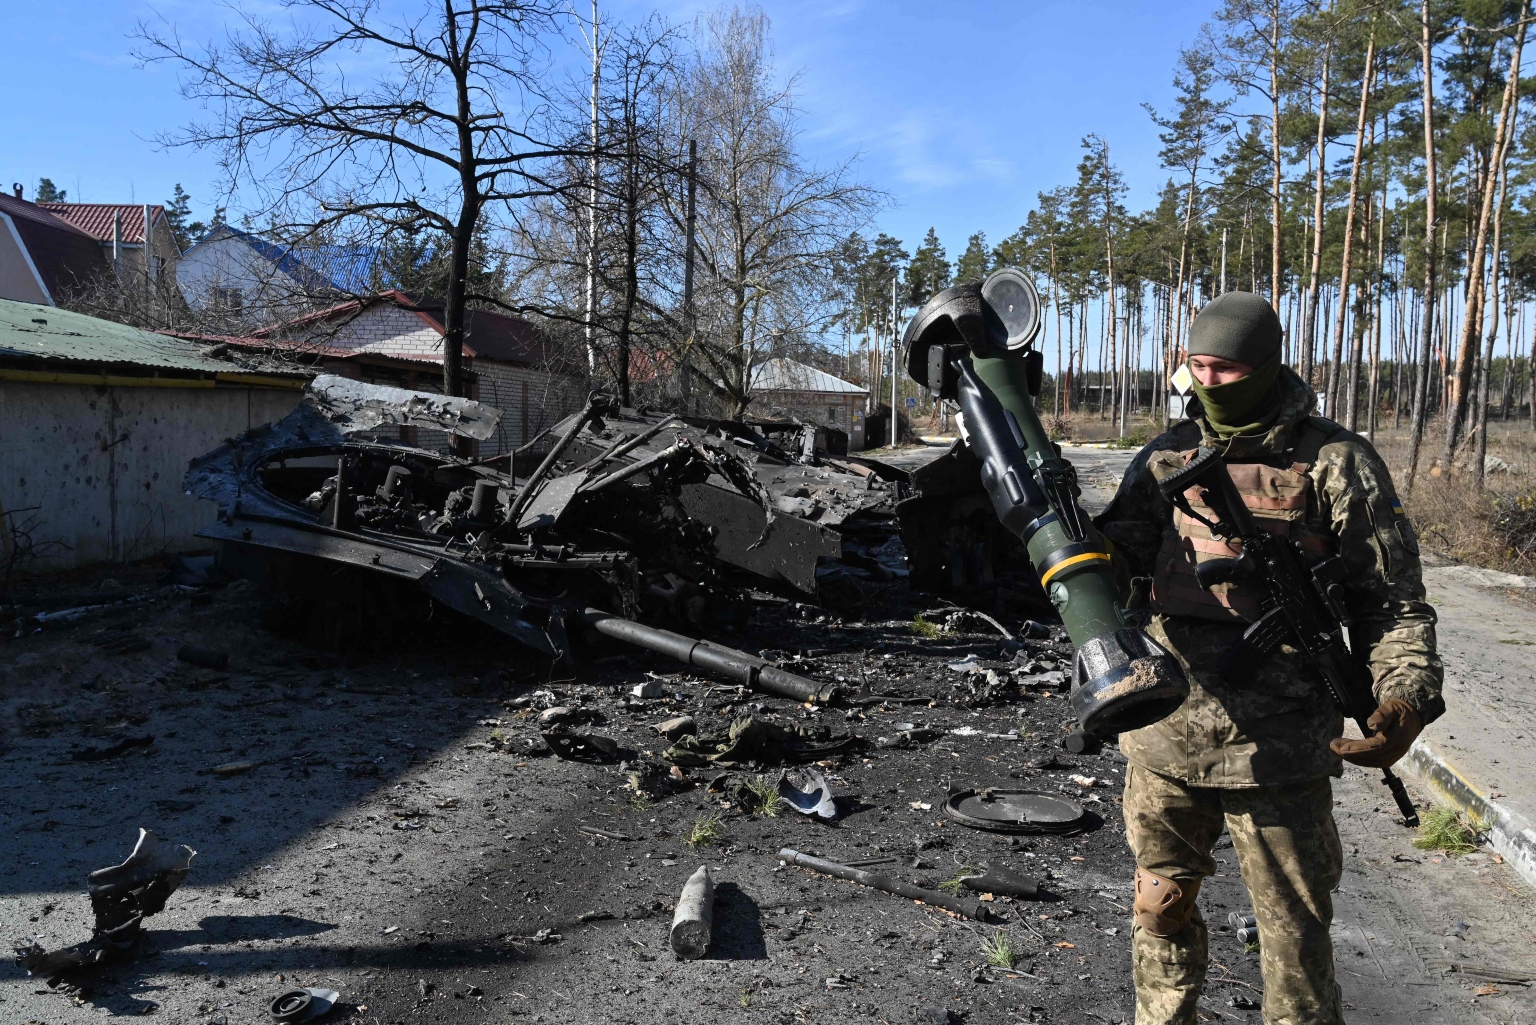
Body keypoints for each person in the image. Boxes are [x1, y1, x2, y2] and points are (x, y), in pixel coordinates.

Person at [1093, 291, 1444, 1025]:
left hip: (1281, 748)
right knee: (1159, 909)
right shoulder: (1164, 457)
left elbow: (1392, 603)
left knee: (1294, 943)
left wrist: (1404, 696)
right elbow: (1110, 570)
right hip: (1166, 734)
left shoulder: (1337, 461)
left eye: (1227, 369)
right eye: (1197, 366)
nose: (1209, 382)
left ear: (1266, 366)